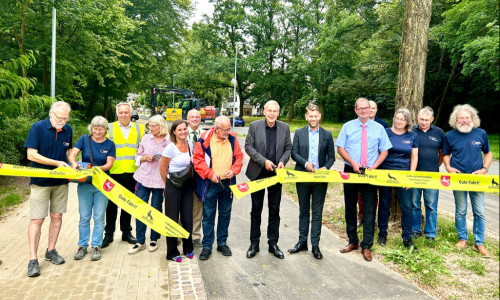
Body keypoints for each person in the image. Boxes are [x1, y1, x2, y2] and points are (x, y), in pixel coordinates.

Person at [336, 98, 391, 261]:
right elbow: (340, 147)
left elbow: (385, 151)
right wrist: (352, 163)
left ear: (370, 109)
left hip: (370, 171)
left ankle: (367, 245)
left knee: (369, 208)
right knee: (350, 206)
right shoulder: (347, 126)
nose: (363, 111)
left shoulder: (379, 128)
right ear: (356, 110)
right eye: (360, 108)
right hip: (351, 169)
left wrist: (375, 166)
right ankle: (352, 241)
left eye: (366, 108)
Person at [24, 101, 73, 277]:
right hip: (40, 181)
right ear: (51, 113)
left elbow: (67, 152)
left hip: (60, 182)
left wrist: (73, 163)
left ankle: (51, 251)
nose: (62, 121)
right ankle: (33, 260)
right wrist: (55, 163)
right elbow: (31, 154)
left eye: (66, 118)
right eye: (60, 117)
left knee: (57, 216)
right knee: (37, 220)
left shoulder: (68, 129)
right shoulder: (37, 128)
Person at [443, 104, 492, 257]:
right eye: (461, 118)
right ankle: (462, 239)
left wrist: (484, 169)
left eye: (467, 117)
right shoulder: (449, 136)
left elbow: (488, 154)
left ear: (472, 118)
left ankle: (479, 242)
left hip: (476, 179)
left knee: (479, 212)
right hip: (459, 179)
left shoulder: (481, 133)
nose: (464, 120)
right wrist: (449, 168)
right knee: (461, 210)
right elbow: (445, 154)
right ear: (455, 120)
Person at [245, 100, 292, 259]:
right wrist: (263, 161)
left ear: (278, 113)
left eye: (275, 111)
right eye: (269, 110)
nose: (272, 113)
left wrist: (282, 162)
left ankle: (273, 243)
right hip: (258, 172)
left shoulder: (284, 128)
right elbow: (248, 147)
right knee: (256, 209)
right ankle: (254, 243)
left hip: (275, 174)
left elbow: (288, 149)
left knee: (274, 210)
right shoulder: (254, 126)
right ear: (264, 111)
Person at [193, 116, 243, 260]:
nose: (229, 131)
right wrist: (209, 174)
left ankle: (222, 243)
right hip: (210, 183)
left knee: (225, 214)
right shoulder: (204, 139)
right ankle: (207, 245)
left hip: (227, 183)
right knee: (208, 215)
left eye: (229, 128)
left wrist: (234, 170)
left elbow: (239, 157)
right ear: (216, 128)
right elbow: (198, 160)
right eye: (225, 129)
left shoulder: (232, 139)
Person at [288, 104, 335, 259]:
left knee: (317, 212)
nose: (313, 119)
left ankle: (315, 245)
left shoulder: (327, 135)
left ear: (319, 117)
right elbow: (294, 153)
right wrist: (305, 163)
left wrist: (325, 168)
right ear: (306, 117)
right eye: (311, 116)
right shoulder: (299, 133)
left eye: (316, 116)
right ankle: (302, 242)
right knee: (303, 210)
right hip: (302, 175)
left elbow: (332, 157)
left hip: (320, 179)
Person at [68, 116, 116, 261]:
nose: (97, 131)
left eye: (100, 129)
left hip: (102, 185)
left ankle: (96, 246)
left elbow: (109, 165)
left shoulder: (110, 144)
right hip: (85, 184)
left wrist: (94, 169)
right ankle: (82, 246)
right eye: (95, 128)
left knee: (99, 216)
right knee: (84, 216)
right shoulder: (84, 139)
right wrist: (73, 163)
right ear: (91, 128)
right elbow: (73, 154)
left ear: (105, 130)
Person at [102, 102, 145, 248]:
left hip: (132, 173)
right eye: (121, 112)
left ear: (131, 113)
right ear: (117, 113)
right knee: (111, 205)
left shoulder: (139, 128)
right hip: (113, 173)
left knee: (128, 204)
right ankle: (108, 234)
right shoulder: (109, 127)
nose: (124, 115)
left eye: (126, 112)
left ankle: (126, 232)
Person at [377, 109, 419, 251]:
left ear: (407, 121)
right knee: (384, 204)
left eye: (402, 119)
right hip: (385, 173)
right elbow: (378, 151)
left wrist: (410, 177)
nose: (399, 121)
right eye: (397, 118)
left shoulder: (412, 135)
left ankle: (407, 238)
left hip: (404, 175)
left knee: (407, 206)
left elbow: (414, 157)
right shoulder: (386, 132)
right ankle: (382, 234)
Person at [128, 115, 170, 254]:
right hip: (143, 178)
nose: (151, 129)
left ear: (161, 126)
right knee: (141, 209)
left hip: (159, 180)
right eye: (150, 126)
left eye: (154, 126)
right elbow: (137, 155)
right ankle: (140, 241)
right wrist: (144, 158)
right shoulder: (146, 138)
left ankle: (154, 238)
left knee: (156, 209)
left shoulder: (169, 141)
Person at [160, 119, 195, 262]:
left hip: (187, 186)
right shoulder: (170, 147)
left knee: (187, 219)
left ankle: (188, 249)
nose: (183, 132)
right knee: (172, 219)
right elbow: (162, 169)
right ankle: (172, 252)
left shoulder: (190, 145)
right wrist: (167, 186)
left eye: (185, 129)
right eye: (179, 130)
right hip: (172, 186)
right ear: (174, 131)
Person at [412, 106, 444, 242]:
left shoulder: (439, 132)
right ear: (417, 118)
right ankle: (415, 229)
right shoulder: (411, 130)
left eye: (426, 120)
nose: (423, 122)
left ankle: (431, 233)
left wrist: (436, 165)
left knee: (431, 204)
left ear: (432, 119)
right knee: (414, 203)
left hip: (432, 175)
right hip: (414, 175)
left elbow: (443, 153)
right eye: (421, 119)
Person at [357, 100, 390, 228]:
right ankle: (362, 217)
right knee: (361, 192)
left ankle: (372, 218)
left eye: (373, 108)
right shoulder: (358, 123)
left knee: (374, 193)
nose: (370, 110)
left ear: (376, 110)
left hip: (377, 165)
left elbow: (385, 146)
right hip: (361, 165)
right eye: (368, 107)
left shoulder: (383, 125)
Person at [187, 109, 205, 247]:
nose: (195, 119)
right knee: (182, 204)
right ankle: (181, 234)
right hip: (183, 175)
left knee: (198, 206)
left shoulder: (206, 134)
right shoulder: (180, 131)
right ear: (187, 118)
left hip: (200, 176)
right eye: (192, 117)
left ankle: (195, 235)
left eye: (197, 117)